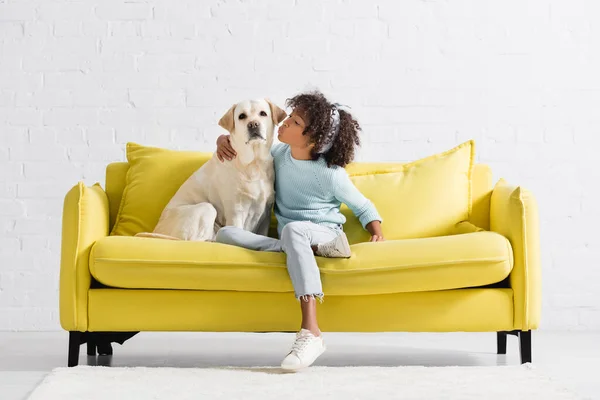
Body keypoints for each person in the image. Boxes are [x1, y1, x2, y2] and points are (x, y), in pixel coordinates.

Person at [214, 90, 384, 371]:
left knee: (293, 230)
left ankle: (311, 331)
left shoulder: (331, 174)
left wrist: (376, 232)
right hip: (292, 236)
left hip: (326, 235)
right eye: (289, 117)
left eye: (293, 122)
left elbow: (363, 206)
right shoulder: (278, 155)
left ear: (313, 139)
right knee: (225, 233)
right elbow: (247, 142)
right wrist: (223, 140)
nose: (283, 123)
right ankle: (295, 249)